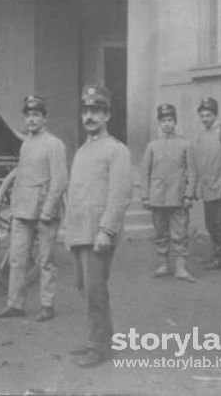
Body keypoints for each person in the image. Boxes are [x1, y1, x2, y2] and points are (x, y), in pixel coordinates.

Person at [64, 85, 132, 368]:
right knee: (85, 287)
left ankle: (98, 345)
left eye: (96, 111)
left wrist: (106, 230)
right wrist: (68, 232)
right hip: (80, 232)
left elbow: (120, 194)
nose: (89, 116)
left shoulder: (116, 150)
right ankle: (100, 337)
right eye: (86, 111)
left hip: (98, 233)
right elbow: (75, 195)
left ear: (108, 115)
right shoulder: (81, 151)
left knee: (95, 290)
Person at [0, 95, 68, 322]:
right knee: (16, 258)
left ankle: (46, 305)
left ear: (45, 118)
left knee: (46, 261)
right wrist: (14, 208)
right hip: (23, 212)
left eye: (36, 115)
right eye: (28, 115)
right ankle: (15, 304)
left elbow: (60, 180)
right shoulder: (26, 144)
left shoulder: (54, 144)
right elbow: (20, 177)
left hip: (45, 212)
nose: (31, 120)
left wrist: (48, 210)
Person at [141, 104, 196, 282]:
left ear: (175, 122)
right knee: (160, 233)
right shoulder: (152, 146)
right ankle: (163, 264)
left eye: (170, 120)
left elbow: (192, 171)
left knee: (179, 233)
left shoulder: (185, 144)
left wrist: (188, 194)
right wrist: (145, 196)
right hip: (157, 198)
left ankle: (181, 268)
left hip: (178, 197)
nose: (167, 124)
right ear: (159, 123)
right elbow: (145, 173)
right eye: (163, 120)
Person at [192, 97, 221, 270]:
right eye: (202, 116)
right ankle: (216, 253)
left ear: (215, 114)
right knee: (211, 223)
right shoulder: (202, 135)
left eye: (208, 115)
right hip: (208, 188)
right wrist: (197, 187)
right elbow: (199, 162)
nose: (205, 119)